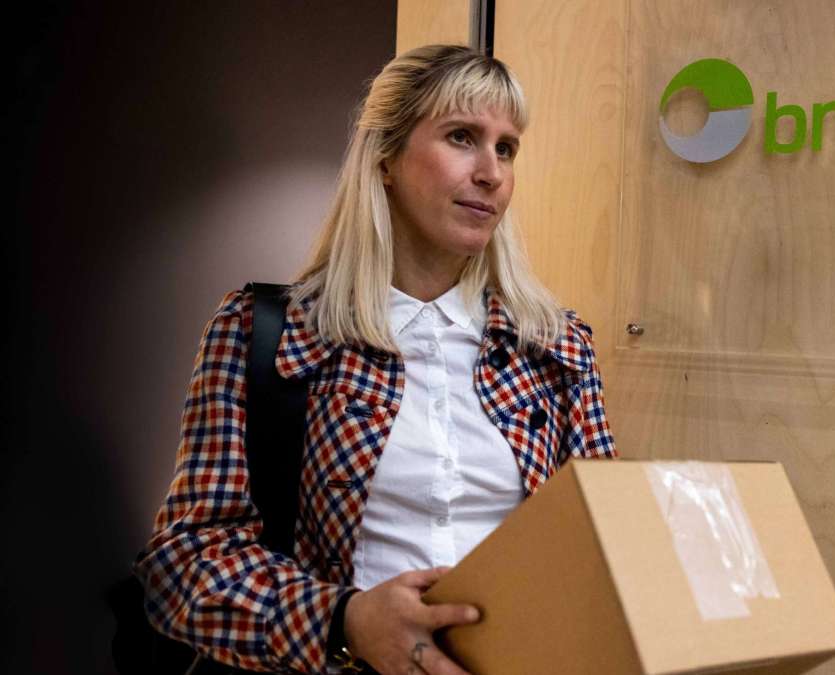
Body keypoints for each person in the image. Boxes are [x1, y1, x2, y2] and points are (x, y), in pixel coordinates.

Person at [134, 44, 617, 675]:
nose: (491, 172)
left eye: (506, 148)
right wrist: (344, 621)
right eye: (462, 137)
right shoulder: (263, 333)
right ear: (385, 156)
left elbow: (602, 551)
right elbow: (185, 562)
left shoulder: (557, 348)